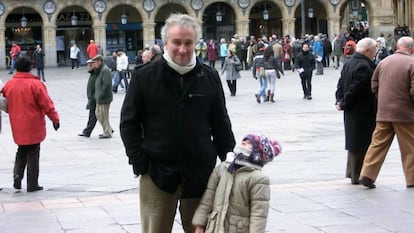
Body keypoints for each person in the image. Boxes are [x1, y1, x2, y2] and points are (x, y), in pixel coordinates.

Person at [120, 13, 235, 233]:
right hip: (157, 174)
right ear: (165, 43)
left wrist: (230, 160)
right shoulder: (144, 77)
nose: (182, 49)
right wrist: (139, 163)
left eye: (188, 43)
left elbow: (221, 124)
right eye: (177, 43)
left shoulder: (209, 77)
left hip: (201, 175)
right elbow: (129, 123)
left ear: (195, 43)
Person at [192, 133, 282, 233]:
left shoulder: (258, 179)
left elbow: (259, 215)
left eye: (249, 143)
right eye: (244, 140)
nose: (243, 142)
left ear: (257, 153)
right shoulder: (223, 168)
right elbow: (208, 198)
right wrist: (200, 224)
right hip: (214, 227)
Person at [359, 36, 414, 189]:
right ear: (411, 49)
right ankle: (412, 179)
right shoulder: (412, 63)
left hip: (384, 112)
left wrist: (382, 100)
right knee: (410, 147)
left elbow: (374, 84)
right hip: (405, 114)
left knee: (377, 144)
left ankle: (367, 175)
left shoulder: (384, 62)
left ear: (397, 46)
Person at [2, 56, 60, 192]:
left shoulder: (9, 85)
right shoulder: (36, 84)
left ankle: (17, 175)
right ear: (30, 67)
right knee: (33, 153)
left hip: (17, 123)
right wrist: (55, 119)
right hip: (33, 124)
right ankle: (32, 183)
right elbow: (47, 104)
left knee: (21, 150)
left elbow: (4, 102)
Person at [335, 38, 378, 185]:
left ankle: (352, 173)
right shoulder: (365, 66)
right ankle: (358, 174)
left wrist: (339, 101)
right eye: (374, 51)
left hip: (351, 109)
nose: (375, 54)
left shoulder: (349, 62)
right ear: (367, 50)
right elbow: (356, 89)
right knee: (362, 143)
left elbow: (340, 84)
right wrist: (344, 102)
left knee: (354, 141)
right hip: (362, 109)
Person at [88, 55, 113, 139]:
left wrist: (101, 95)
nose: (93, 64)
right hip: (99, 97)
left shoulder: (105, 70)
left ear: (99, 62)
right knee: (99, 114)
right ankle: (108, 130)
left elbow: (107, 85)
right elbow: (91, 74)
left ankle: (107, 132)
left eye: (94, 62)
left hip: (103, 98)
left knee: (102, 115)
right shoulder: (99, 70)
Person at [78, 59, 98, 138]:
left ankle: (87, 132)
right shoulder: (92, 74)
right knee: (101, 116)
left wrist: (95, 97)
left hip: (95, 99)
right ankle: (109, 129)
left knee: (94, 116)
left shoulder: (96, 74)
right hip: (92, 98)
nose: (88, 67)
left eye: (90, 65)